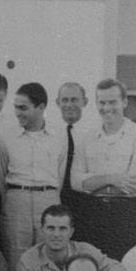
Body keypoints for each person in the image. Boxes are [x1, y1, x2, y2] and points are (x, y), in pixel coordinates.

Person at [70, 78, 136, 262]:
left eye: (112, 102)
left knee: (124, 268)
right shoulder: (86, 136)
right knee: (92, 266)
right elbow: (75, 182)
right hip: (92, 213)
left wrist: (92, 183)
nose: (107, 108)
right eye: (102, 102)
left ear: (125, 102)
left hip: (127, 214)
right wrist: (112, 178)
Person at [0, 81, 65, 271]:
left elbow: (60, 173)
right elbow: (1, 177)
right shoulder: (6, 137)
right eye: (16, 107)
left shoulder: (58, 136)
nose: (18, 112)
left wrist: (46, 196)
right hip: (17, 200)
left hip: (48, 199)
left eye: (23, 108)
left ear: (41, 107)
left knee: (48, 255)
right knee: (16, 257)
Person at [55, 80, 89, 212]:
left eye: (74, 100)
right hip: (58, 200)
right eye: (65, 100)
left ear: (84, 102)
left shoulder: (92, 134)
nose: (69, 105)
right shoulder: (52, 134)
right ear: (58, 102)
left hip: (85, 202)